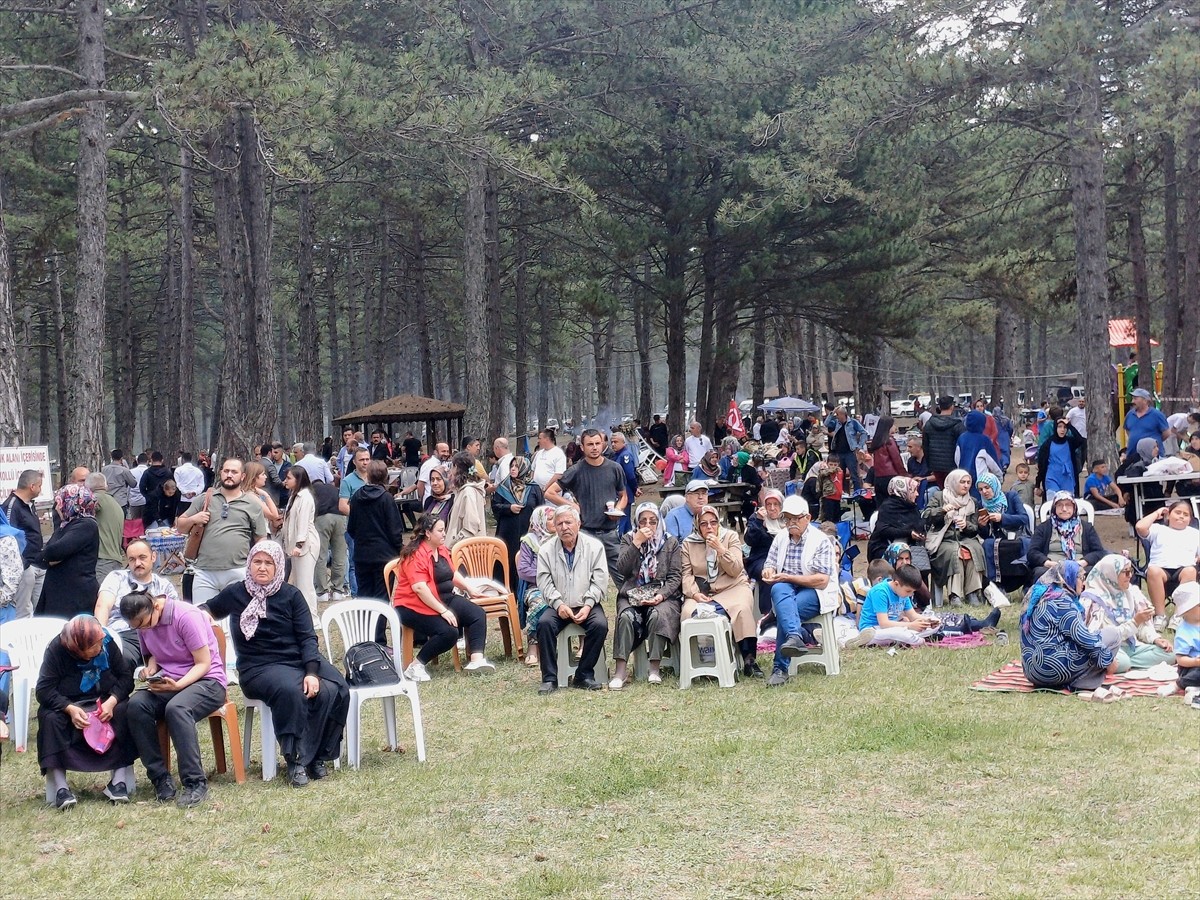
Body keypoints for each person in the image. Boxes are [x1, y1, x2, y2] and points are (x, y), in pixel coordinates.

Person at [202, 541, 350, 786]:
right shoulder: (236, 593)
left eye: (268, 563)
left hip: (296, 659)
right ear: (249, 565)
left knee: (335, 688)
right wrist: (198, 617)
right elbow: (207, 609)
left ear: (279, 565)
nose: (262, 568)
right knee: (292, 691)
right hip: (258, 667)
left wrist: (311, 672)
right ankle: (296, 761)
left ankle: (316, 756)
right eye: (257, 562)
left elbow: (307, 637)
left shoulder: (291, 595)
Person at [121, 588, 227, 807]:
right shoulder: (143, 621)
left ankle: (195, 783)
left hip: (207, 681)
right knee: (135, 705)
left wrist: (178, 685)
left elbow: (203, 663)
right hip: (170, 682)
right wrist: (149, 670)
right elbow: (152, 656)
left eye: (144, 624)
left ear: (156, 606)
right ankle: (160, 779)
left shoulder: (186, 616)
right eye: (136, 627)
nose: (142, 629)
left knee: (177, 709)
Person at [35, 615, 137, 809]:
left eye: (99, 645)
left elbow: (125, 677)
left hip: (104, 700)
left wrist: (112, 701)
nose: (99, 649)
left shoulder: (105, 641)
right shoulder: (58, 649)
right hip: (71, 703)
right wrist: (70, 709)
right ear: (77, 647)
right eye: (93, 647)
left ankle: (119, 781)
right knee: (49, 717)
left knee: (125, 709)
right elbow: (44, 690)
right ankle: (61, 788)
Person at [391, 514, 496, 682]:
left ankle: (476, 660)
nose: (444, 534)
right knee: (448, 632)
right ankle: (416, 665)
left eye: (444, 529)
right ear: (427, 533)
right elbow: (419, 588)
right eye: (440, 530)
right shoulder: (415, 555)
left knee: (477, 614)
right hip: (412, 605)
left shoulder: (440, 549)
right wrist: (443, 611)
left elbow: (451, 573)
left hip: (443, 597)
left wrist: (470, 589)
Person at [760, 496, 836, 686]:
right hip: (787, 588)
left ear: (808, 518)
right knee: (779, 589)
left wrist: (788, 577)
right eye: (787, 518)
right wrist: (768, 571)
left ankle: (780, 668)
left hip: (816, 591)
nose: (791, 523)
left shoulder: (821, 541)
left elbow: (822, 580)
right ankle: (795, 637)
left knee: (787, 610)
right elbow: (770, 562)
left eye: (796, 518)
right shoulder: (780, 537)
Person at [534, 506, 610, 694]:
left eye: (569, 522)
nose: (564, 527)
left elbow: (600, 580)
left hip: (586, 603)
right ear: (554, 527)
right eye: (559, 523)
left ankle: (583, 674)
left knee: (600, 625)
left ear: (578, 523)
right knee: (544, 624)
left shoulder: (594, 547)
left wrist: (588, 604)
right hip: (559, 605)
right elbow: (544, 581)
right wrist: (558, 604)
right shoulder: (546, 550)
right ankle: (549, 679)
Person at [608, 503, 683, 690]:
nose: (648, 525)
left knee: (658, 614)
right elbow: (622, 569)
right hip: (632, 593)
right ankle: (620, 670)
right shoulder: (628, 539)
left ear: (659, 522)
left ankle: (654, 668)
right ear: (637, 522)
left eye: (653, 521)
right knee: (625, 616)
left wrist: (661, 595)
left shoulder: (670, 542)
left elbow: (675, 577)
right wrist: (637, 543)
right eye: (643, 521)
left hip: (662, 593)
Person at [176, 458, 269, 606]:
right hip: (204, 571)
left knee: (235, 621)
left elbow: (261, 538)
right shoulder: (205, 498)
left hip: (238, 570)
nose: (229, 475)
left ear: (243, 476)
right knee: (204, 621)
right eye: (226, 471)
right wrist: (194, 519)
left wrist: (257, 564)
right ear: (220, 473)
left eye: (234, 472)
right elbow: (180, 526)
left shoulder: (252, 504)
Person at [681, 504, 759, 677]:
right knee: (688, 612)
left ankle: (749, 659)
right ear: (697, 525)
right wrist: (694, 594)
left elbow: (736, 569)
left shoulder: (730, 536)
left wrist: (720, 549)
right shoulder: (688, 543)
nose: (709, 527)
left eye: (713, 522)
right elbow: (686, 574)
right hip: (703, 592)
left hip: (732, 586)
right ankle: (698, 661)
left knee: (742, 609)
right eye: (704, 524)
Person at [545, 429, 628, 582]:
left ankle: (627, 606)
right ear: (582, 447)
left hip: (610, 533)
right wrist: (571, 506)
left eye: (598, 443)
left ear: (603, 445)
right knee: (584, 580)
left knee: (622, 577)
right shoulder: (576, 470)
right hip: (585, 532)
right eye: (590, 444)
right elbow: (550, 492)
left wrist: (618, 509)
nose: (595, 447)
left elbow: (623, 496)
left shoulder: (614, 468)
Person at [1020, 561, 1116, 691]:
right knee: (1113, 635)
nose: (1084, 583)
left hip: (1032, 672)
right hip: (1053, 670)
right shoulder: (1061, 600)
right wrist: (1108, 660)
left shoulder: (1036, 593)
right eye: (1081, 578)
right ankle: (1083, 682)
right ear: (1069, 577)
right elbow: (1083, 637)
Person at [1078, 554, 1173, 673]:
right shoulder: (1093, 599)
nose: (1130, 576)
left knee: (1170, 654)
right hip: (1109, 648)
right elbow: (1099, 637)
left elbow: (1141, 627)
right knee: (1122, 662)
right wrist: (1134, 622)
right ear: (1110, 574)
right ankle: (1123, 664)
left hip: (1133, 647)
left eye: (1131, 571)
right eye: (1125, 572)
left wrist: (1155, 639)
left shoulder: (1130, 593)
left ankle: (1124, 665)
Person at [94, 538, 177, 667]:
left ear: (153, 557)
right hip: (120, 634)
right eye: (132, 559)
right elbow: (102, 606)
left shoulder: (165, 586)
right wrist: (100, 635)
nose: (137, 563)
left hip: (155, 636)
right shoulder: (116, 577)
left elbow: (175, 618)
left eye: (142, 557)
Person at [347, 460, 406, 639]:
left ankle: (365, 636)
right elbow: (395, 529)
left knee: (365, 597)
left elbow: (351, 527)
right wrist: (400, 549)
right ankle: (379, 638)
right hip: (384, 557)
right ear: (385, 476)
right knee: (381, 598)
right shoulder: (386, 499)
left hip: (363, 554)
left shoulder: (357, 496)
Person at [921, 469, 984, 606]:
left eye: (968, 482)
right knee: (955, 552)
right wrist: (942, 510)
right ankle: (955, 595)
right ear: (954, 482)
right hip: (944, 539)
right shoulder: (939, 496)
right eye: (962, 482)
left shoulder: (972, 501)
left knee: (975, 549)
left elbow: (975, 529)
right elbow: (926, 516)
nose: (966, 486)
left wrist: (966, 525)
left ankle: (972, 592)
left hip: (965, 538)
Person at [37, 485, 101, 618]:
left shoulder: (86, 525)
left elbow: (53, 551)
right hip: (61, 593)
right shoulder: (67, 525)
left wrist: (49, 557)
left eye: (60, 502)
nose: (57, 508)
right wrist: (49, 559)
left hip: (74, 596)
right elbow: (46, 554)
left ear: (72, 503)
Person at [1135, 499, 1200, 628]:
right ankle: (1160, 616)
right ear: (1168, 515)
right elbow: (1140, 527)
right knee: (1153, 570)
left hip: (1184, 570)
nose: (1181, 516)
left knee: (1191, 571)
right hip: (1160, 569)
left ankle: (1178, 616)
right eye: (1178, 512)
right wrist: (1157, 513)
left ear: (1190, 519)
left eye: (1186, 514)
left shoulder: (1195, 534)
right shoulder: (1158, 529)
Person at [1027, 492, 1107, 584]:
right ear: (1054, 508)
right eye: (1060, 505)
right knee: (1040, 573)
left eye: (1068, 505)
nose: (1064, 509)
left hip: (1081, 567)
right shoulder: (1043, 528)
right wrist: (1049, 564)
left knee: (1095, 572)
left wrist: (1081, 563)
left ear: (1074, 507)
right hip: (1052, 568)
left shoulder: (1087, 528)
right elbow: (1032, 552)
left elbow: (1099, 552)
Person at [855, 565, 940, 647]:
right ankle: (915, 640)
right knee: (900, 633)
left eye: (912, 592)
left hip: (894, 627)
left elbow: (913, 615)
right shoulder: (880, 592)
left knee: (933, 627)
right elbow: (884, 623)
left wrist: (928, 621)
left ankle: (908, 638)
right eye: (908, 591)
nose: (910, 595)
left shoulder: (903, 593)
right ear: (896, 584)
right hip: (873, 628)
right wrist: (910, 625)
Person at [492, 456, 544, 590]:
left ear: (524, 468)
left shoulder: (533, 487)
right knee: (506, 561)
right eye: (512, 466)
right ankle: (505, 591)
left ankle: (524, 591)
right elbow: (495, 507)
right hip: (507, 532)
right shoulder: (503, 487)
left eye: (517, 466)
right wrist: (509, 508)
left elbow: (541, 510)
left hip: (528, 533)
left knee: (525, 561)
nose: (513, 469)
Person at [2, 469, 45, 617]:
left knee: (41, 610)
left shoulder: (30, 504)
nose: (41, 490)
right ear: (32, 486)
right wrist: (23, 564)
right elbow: (8, 537)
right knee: (24, 611)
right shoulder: (11, 506)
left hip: (39, 563)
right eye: (40, 486)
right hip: (24, 567)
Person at [516, 505, 556, 666]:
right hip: (536, 587)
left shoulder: (561, 539)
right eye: (551, 519)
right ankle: (533, 647)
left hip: (559, 586)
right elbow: (524, 570)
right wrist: (546, 576)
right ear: (540, 521)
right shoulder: (529, 541)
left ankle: (582, 644)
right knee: (540, 602)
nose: (555, 522)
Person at [281, 466, 321, 623]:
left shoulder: (305, 497)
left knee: (305, 584)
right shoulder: (294, 496)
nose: (286, 481)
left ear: (298, 480)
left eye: (289, 478)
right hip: (295, 546)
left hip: (306, 545)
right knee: (297, 583)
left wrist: (299, 545)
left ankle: (312, 618)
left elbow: (303, 523)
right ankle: (301, 616)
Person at [745, 488, 786, 614]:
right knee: (768, 574)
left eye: (776, 504)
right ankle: (766, 613)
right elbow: (749, 540)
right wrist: (758, 521)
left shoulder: (787, 519)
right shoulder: (757, 518)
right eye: (769, 504)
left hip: (784, 558)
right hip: (760, 558)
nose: (772, 508)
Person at [868, 476, 926, 561]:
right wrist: (908, 533)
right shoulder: (888, 507)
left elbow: (918, 524)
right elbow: (883, 530)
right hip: (884, 546)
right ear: (904, 492)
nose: (917, 494)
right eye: (913, 491)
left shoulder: (910, 506)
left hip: (909, 546)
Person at [312, 478, 348, 604]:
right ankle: (338, 590)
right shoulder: (333, 488)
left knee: (320, 556)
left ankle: (322, 592)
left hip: (322, 518)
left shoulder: (312, 490)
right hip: (340, 518)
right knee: (339, 555)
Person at [86, 473, 125, 583]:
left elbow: (88, 505)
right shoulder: (114, 502)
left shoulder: (97, 499)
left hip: (103, 559)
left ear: (87, 487)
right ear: (106, 486)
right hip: (115, 557)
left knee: (103, 596)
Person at [921, 396, 965, 489]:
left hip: (936, 465)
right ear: (952, 406)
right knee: (955, 491)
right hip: (953, 465)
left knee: (943, 490)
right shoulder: (957, 425)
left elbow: (925, 446)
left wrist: (930, 465)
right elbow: (963, 446)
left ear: (939, 407)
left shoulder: (929, 424)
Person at [1035, 418, 1085, 499]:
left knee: (1067, 504)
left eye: (1065, 427)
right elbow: (1042, 466)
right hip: (1052, 477)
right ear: (1055, 428)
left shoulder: (1070, 442)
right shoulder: (1047, 444)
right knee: (1053, 503)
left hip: (1067, 478)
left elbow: (1081, 440)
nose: (1062, 430)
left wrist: (1070, 425)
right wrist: (1037, 484)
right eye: (1059, 427)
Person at [446, 451, 487, 546]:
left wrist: (452, 545)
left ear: (456, 468)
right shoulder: (463, 490)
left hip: (467, 553)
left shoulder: (468, 492)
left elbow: (471, 527)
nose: (450, 470)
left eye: (452, 467)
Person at [824, 406, 867, 492]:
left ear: (843, 414)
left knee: (854, 475)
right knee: (840, 475)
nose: (837, 416)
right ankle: (843, 493)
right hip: (839, 453)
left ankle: (857, 493)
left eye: (838, 414)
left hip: (850, 452)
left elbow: (864, 432)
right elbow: (826, 423)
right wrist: (832, 413)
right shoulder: (836, 423)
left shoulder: (853, 422)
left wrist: (860, 446)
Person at [975, 472, 1030, 538]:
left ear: (994, 486)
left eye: (987, 487)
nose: (984, 491)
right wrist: (981, 526)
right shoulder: (981, 505)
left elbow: (1024, 518)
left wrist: (1002, 518)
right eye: (980, 489)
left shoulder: (1011, 496)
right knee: (988, 544)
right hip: (996, 540)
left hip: (1017, 537)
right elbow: (986, 536)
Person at [956, 410, 1003, 486]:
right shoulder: (984, 440)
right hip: (979, 481)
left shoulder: (961, 438)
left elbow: (957, 458)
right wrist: (1000, 478)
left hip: (963, 479)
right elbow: (993, 462)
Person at [1123, 388, 1170, 459]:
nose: (1132, 401)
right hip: (1133, 455)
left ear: (1145, 401)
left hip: (1153, 457)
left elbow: (1166, 433)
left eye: (1135, 399)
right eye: (1133, 398)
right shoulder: (1130, 414)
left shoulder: (1157, 415)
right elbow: (1128, 430)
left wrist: (1154, 441)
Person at [609, 431, 641, 535]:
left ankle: (619, 540)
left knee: (622, 519)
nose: (613, 444)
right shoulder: (616, 455)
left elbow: (630, 475)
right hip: (618, 491)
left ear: (623, 442)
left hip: (625, 492)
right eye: (612, 442)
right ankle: (629, 539)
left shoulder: (625, 456)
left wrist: (635, 488)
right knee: (626, 521)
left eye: (616, 442)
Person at [1172, 583, 1200, 693]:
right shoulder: (1184, 632)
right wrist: (1195, 662)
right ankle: (1179, 684)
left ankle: (1194, 687)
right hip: (1191, 667)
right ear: (1187, 610)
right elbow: (1180, 659)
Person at [242, 461, 283, 533]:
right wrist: (266, 495)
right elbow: (274, 515)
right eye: (263, 474)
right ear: (254, 477)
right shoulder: (251, 495)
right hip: (259, 533)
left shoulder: (253, 493)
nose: (265, 477)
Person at [139, 451, 175, 528]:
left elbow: (142, 487)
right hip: (166, 504)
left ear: (151, 460)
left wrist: (147, 496)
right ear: (162, 460)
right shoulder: (168, 473)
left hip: (150, 505)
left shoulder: (147, 472)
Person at [868, 417, 905, 486]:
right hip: (891, 475)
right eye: (893, 425)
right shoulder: (889, 441)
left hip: (878, 476)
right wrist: (904, 474)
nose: (895, 427)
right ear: (889, 427)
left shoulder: (876, 441)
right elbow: (896, 459)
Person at [102, 450, 138, 515]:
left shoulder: (104, 469)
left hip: (107, 500)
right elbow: (133, 484)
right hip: (120, 501)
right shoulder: (124, 470)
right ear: (121, 458)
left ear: (112, 457)